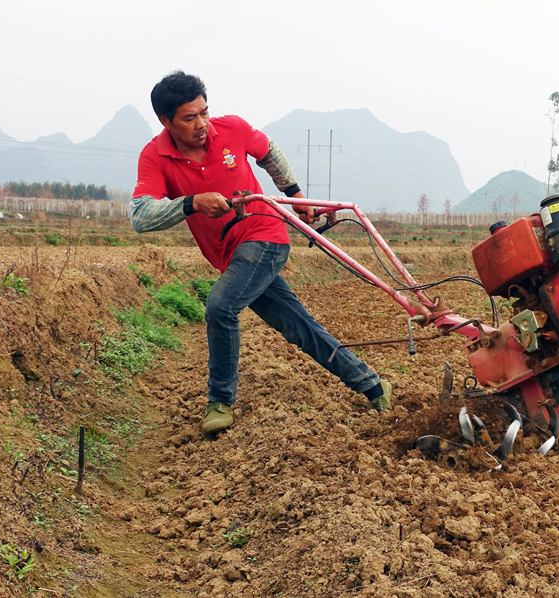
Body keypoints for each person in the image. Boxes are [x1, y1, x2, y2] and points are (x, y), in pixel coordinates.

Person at [130, 71, 391, 433]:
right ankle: (371, 384)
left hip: (264, 235)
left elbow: (269, 152)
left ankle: (220, 400)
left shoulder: (232, 129)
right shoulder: (155, 157)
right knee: (297, 326)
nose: (202, 124)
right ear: (165, 121)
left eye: (204, 112)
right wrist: (191, 203)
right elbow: (140, 216)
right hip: (231, 254)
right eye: (190, 118)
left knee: (220, 307)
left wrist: (295, 193)